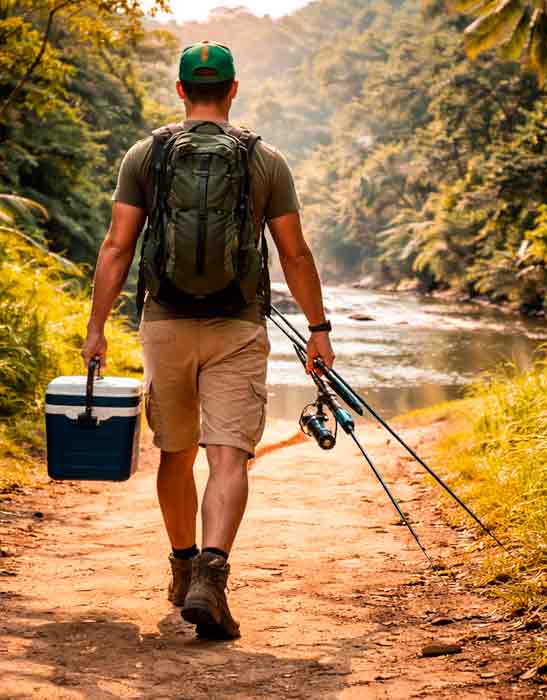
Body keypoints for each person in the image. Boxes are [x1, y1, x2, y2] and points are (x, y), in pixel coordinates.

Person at [81, 41, 334, 640]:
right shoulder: (264, 160)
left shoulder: (146, 155)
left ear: (180, 90)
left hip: (165, 323)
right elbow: (295, 254)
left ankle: (182, 566)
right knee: (228, 455)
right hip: (238, 325)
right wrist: (318, 330)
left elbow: (117, 247)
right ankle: (211, 578)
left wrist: (96, 327)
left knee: (176, 452)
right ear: (233, 90)